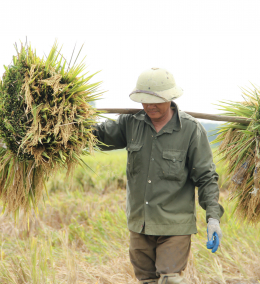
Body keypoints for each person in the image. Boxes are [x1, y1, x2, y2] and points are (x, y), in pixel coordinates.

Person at [93, 68, 224, 284]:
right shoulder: (130, 123)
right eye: (145, 100)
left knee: (170, 279)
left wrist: (213, 218)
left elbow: (206, 177)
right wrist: (64, 120)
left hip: (174, 225)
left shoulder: (191, 130)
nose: (149, 106)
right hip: (140, 223)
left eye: (156, 100)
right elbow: (95, 136)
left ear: (170, 98)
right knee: (146, 280)